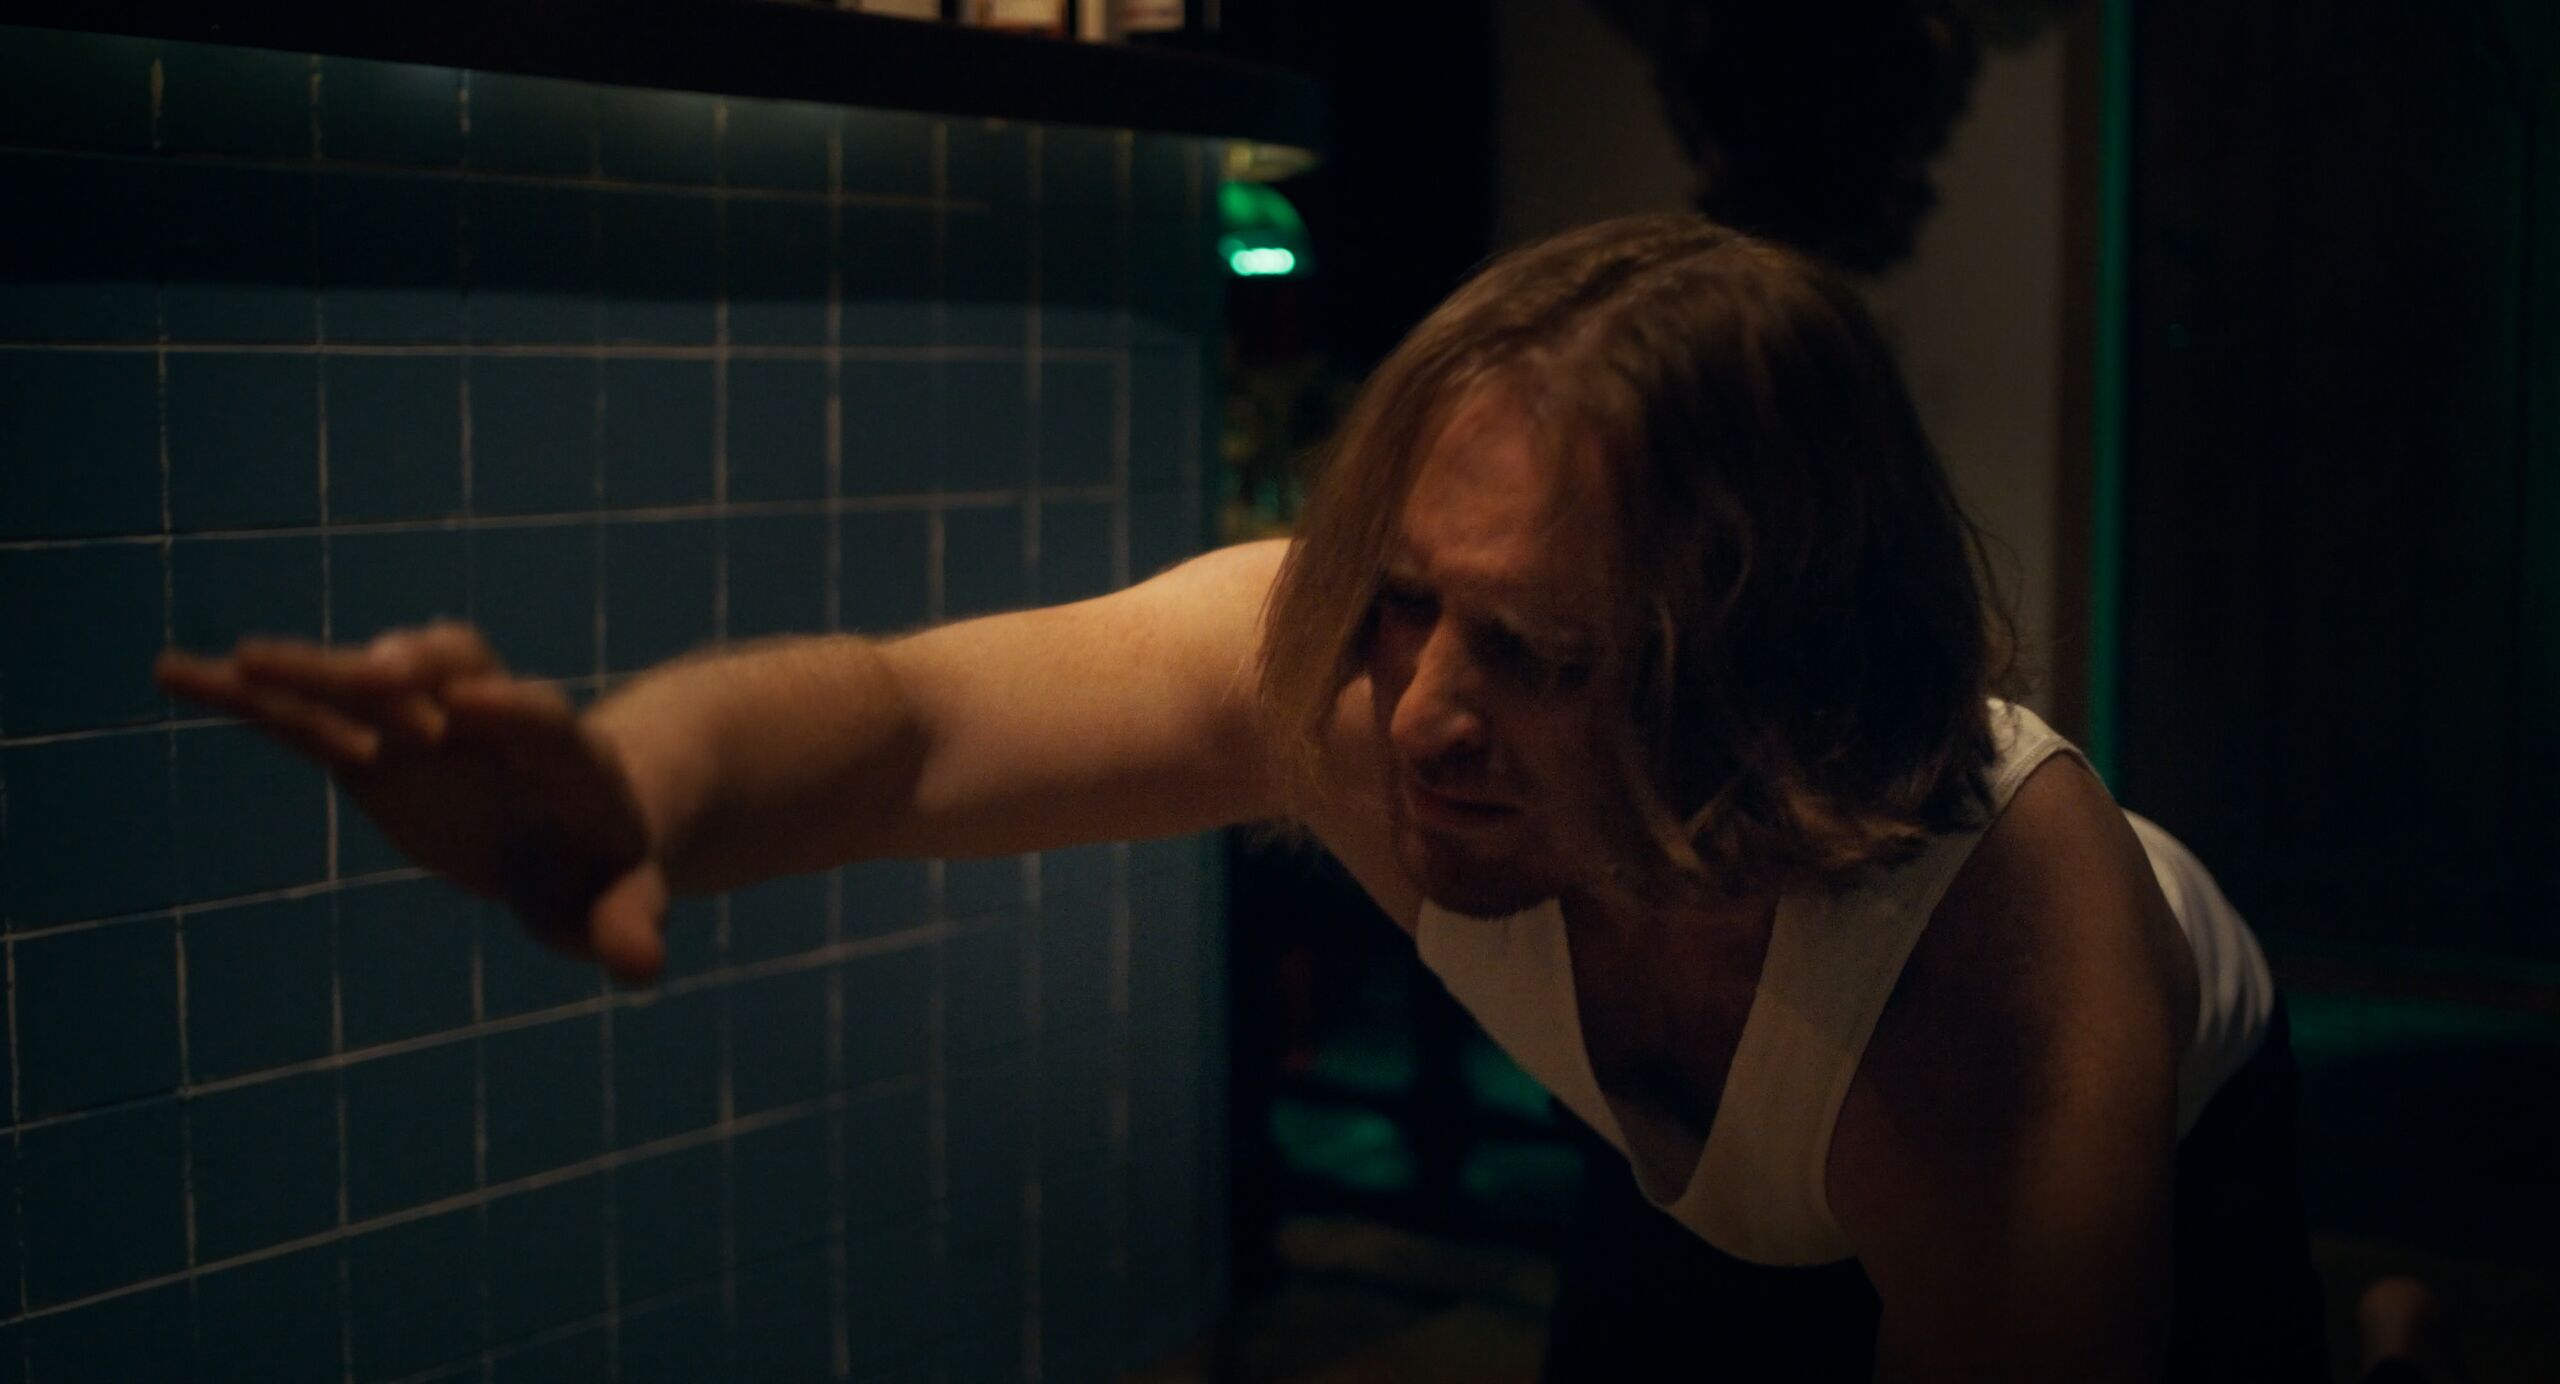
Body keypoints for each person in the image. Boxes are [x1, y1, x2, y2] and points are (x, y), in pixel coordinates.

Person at [160, 214, 2333, 1381]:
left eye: (1544, 653)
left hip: (2151, 1155)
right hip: (1698, 1181)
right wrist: (630, 779)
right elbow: (915, 722)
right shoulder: (1362, 681)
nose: (1423, 710)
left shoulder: (1990, 995)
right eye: (1406, 596)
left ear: (1756, 681)